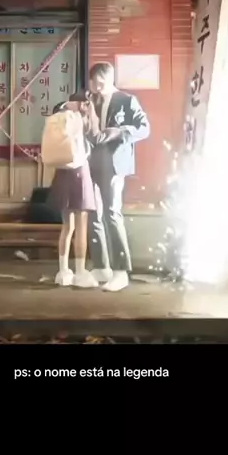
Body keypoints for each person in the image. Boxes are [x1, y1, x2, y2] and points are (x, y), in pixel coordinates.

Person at [48, 91, 123, 288]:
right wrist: (88, 112)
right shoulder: (80, 119)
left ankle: (63, 271)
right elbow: (95, 136)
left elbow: (57, 112)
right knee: (81, 226)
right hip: (80, 173)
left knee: (67, 226)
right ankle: (80, 272)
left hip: (61, 172)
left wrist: (69, 105)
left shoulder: (59, 116)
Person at [88, 62, 150, 292]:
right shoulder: (91, 100)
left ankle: (121, 271)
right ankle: (101, 266)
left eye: (100, 83)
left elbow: (145, 128)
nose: (97, 87)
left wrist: (121, 132)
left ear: (110, 79)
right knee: (93, 213)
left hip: (114, 164)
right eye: (93, 83)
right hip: (91, 162)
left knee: (112, 214)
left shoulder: (127, 100)